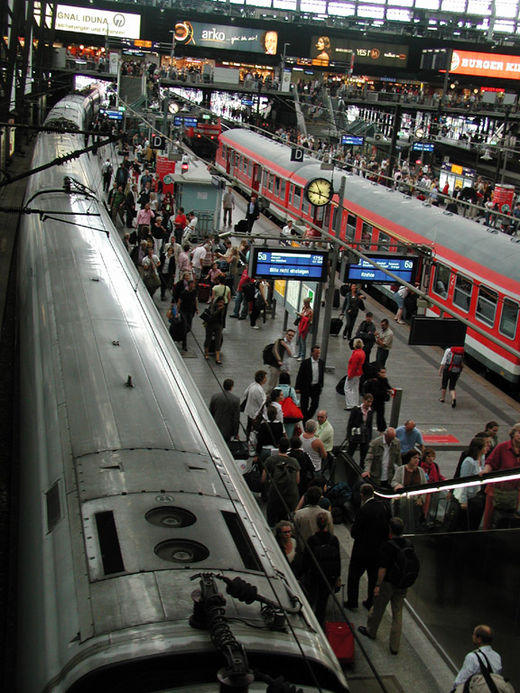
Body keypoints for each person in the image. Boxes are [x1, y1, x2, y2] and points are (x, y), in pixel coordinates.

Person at [358, 517, 418, 655]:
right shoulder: (409, 543)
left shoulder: (388, 545)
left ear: (390, 530)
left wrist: (377, 585)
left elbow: (383, 568)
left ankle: (371, 631)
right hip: (402, 583)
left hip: (388, 583)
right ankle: (394, 646)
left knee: (378, 607)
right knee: (398, 613)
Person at [344, 484, 390, 611]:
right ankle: (370, 601)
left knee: (354, 576)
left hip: (361, 550)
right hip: (377, 551)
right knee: (373, 577)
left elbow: (355, 531)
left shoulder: (363, 510)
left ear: (362, 495)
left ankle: (352, 601)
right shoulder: (383, 507)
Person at [301, 513, 341, 626]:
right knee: (323, 601)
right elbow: (337, 560)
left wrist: (302, 573)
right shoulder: (333, 540)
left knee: (311, 597)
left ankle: (307, 620)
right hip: (329, 575)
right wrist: (338, 576)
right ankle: (319, 622)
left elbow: (306, 559)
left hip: (314, 574)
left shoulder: (312, 540)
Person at [482, 423, 520, 530]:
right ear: (513, 434)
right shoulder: (502, 448)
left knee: (510, 521)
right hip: (496, 491)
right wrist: (485, 471)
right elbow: (491, 463)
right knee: (489, 520)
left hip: (514, 493)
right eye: (519, 433)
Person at [261, 438, 300, 527]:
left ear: (278, 446)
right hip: (290, 497)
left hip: (275, 495)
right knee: (286, 523)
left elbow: (263, 479)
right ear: (288, 448)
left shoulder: (270, 460)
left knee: (272, 522)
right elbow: (297, 481)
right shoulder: (294, 462)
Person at [452, 625, 503, 690]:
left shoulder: (472, 657)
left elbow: (461, 681)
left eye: (474, 634)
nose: (472, 636)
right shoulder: (497, 656)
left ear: (479, 639)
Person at [454, 437, 486, 530]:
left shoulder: (480, 459)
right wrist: (463, 501)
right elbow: (464, 481)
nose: (487, 448)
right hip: (467, 497)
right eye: (484, 446)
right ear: (479, 448)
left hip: (475, 496)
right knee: (463, 524)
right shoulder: (469, 461)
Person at [295, 345, 324, 420]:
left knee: (315, 405)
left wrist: (321, 386)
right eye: (316, 353)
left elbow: (321, 375)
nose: (318, 355)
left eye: (319, 353)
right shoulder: (305, 363)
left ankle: (307, 418)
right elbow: (300, 375)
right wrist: (297, 387)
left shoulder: (321, 363)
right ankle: (304, 418)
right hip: (306, 386)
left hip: (316, 387)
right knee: (304, 405)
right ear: (312, 353)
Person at [347, 393, 374, 466]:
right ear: (364, 400)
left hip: (365, 435)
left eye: (371, 402)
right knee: (351, 451)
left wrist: (370, 438)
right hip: (356, 433)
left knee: (364, 453)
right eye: (368, 401)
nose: (369, 404)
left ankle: (361, 468)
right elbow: (350, 423)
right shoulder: (356, 409)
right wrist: (348, 435)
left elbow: (370, 425)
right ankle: (347, 465)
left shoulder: (371, 411)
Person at [363, 366, 392, 432]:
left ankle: (381, 430)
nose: (384, 374)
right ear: (378, 373)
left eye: (385, 372)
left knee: (380, 417)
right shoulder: (373, 381)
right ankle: (366, 430)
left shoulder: (384, 380)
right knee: (369, 416)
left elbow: (388, 387)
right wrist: (386, 392)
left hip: (380, 402)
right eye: (382, 372)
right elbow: (376, 392)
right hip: (372, 402)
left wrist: (390, 390)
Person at [243, 370, 267, 439]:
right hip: (255, 413)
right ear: (262, 379)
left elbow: (245, 393)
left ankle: (248, 439)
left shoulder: (252, 385)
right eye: (265, 378)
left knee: (249, 426)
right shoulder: (259, 390)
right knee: (254, 429)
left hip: (249, 410)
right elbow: (262, 403)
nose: (266, 379)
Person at [177, 278, 198, 352]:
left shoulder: (194, 292)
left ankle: (180, 335)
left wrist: (197, 309)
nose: (193, 286)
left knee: (189, 327)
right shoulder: (183, 293)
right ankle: (184, 344)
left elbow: (195, 300)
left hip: (191, 311)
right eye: (192, 285)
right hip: (184, 311)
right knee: (185, 326)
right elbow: (179, 301)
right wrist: (177, 311)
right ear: (189, 285)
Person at [344, 338, 366, 410]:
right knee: (355, 388)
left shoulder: (356, 353)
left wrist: (350, 375)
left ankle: (350, 404)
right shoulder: (362, 352)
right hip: (359, 373)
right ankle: (355, 403)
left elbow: (353, 366)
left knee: (347, 388)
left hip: (354, 373)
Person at [203, 296, 225, 364]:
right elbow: (212, 315)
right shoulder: (213, 306)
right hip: (210, 324)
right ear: (217, 302)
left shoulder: (223, 308)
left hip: (218, 325)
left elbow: (223, 317)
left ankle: (217, 358)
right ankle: (206, 353)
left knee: (218, 340)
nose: (222, 304)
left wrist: (222, 326)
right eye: (220, 302)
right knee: (208, 339)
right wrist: (219, 310)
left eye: (223, 303)